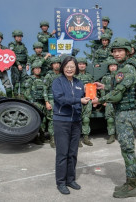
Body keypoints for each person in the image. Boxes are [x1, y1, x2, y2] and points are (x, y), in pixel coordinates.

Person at [92, 38, 136, 198]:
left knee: (127, 149)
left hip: (126, 113)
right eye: (115, 51)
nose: (117, 53)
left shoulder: (128, 69)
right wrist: (104, 87)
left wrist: (100, 99)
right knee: (126, 149)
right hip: (123, 112)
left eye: (120, 50)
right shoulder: (122, 69)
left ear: (127, 51)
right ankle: (130, 182)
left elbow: (118, 94)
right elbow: (121, 88)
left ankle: (132, 186)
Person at [52, 56, 90, 195]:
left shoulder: (79, 83)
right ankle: (61, 182)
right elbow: (60, 99)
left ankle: (70, 179)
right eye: (67, 66)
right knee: (62, 153)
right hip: (61, 121)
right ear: (63, 68)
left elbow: (85, 98)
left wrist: (90, 92)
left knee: (73, 153)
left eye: (72, 66)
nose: (69, 69)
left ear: (76, 68)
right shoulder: (58, 82)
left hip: (76, 121)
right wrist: (78, 100)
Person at [24, 61, 46, 145]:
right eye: (36, 68)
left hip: (43, 102)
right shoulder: (30, 79)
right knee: (36, 121)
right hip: (35, 103)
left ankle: (42, 137)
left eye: (39, 68)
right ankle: (35, 138)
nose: (38, 70)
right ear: (33, 70)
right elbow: (27, 93)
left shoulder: (43, 79)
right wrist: (32, 102)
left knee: (43, 121)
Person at [43, 57, 61, 148]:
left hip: (62, 101)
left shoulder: (63, 75)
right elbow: (45, 89)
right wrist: (47, 102)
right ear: (52, 65)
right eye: (54, 63)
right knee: (52, 120)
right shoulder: (48, 76)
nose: (56, 65)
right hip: (52, 100)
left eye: (58, 63)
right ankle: (52, 139)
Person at [75, 57, 94, 146]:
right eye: (80, 64)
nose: (82, 65)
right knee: (77, 120)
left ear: (86, 65)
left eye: (83, 64)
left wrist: (94, 99)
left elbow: (93, 88)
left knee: (86, 119)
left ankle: (86, 138)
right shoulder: (74, 76)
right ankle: (77, 140)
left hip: (88, 99)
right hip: (77, 100)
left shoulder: (89, 76)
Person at [100, 59, 118, 144]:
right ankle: (111, 135)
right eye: (111, 66)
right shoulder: (105, 77)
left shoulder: (121, 76)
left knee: (120, 118)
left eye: (114, 66)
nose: (113, 67)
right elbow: (102, 90)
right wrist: (103, 99)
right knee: (110, 119)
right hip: (109, 100)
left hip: (119, 100)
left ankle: (120, 134)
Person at [8, 30, 29, 98]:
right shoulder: (12, 45)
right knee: (16, 84)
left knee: (23, 84)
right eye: (17, 36)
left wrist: (28, 64)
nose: (19, 38)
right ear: (14, 37)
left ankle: (22, 99)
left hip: (23, 66)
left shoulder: (23, 46)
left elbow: (27, 55)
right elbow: (12, 55)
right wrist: (18, 64)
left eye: (20, 36)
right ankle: (16, 98)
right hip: (15, 67)